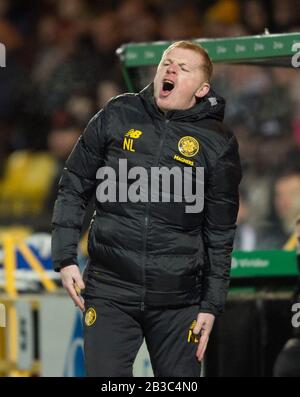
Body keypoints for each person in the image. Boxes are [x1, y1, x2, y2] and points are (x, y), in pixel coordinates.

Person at [52, 40, 242, 377]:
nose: (170, 69)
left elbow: (220, 232)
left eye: (183, 68)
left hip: (179, 302)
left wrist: (211, 305)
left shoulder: (218, 141)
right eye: (166, 62)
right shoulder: (118, 113)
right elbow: (74, 184)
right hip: (110, 292)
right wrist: (65, 258)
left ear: (202, 88)